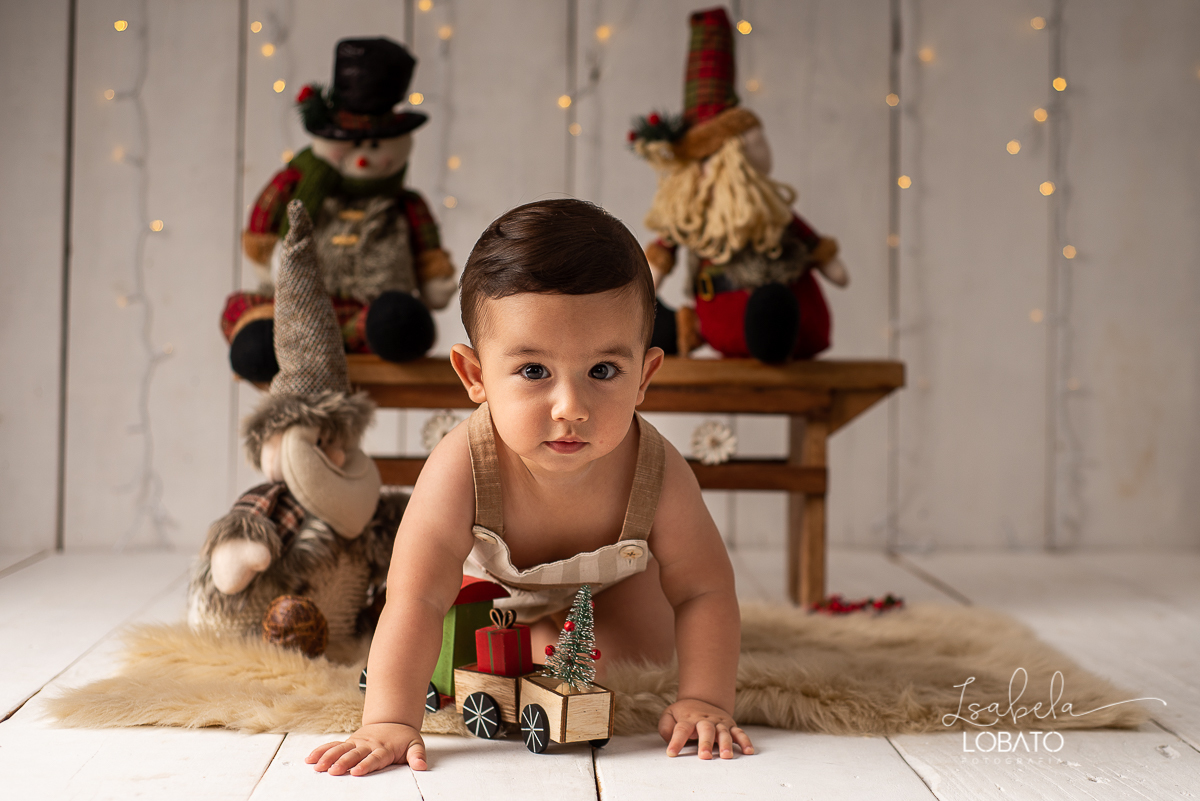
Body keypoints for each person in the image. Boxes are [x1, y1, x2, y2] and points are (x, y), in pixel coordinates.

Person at [306, 198, 753, 776]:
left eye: (603, 371)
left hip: (609, 590)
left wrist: (705, 699)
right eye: (534, 371)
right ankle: (529, 638)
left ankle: (555, 640)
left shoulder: (657, 470)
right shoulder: (462, 466)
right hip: (491, 596)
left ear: (644, 376)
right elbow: (415, 597)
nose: (570, 408)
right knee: (460, 650)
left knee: (635, 661)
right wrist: (389, 719)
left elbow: (704, 589)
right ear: (475, 376)